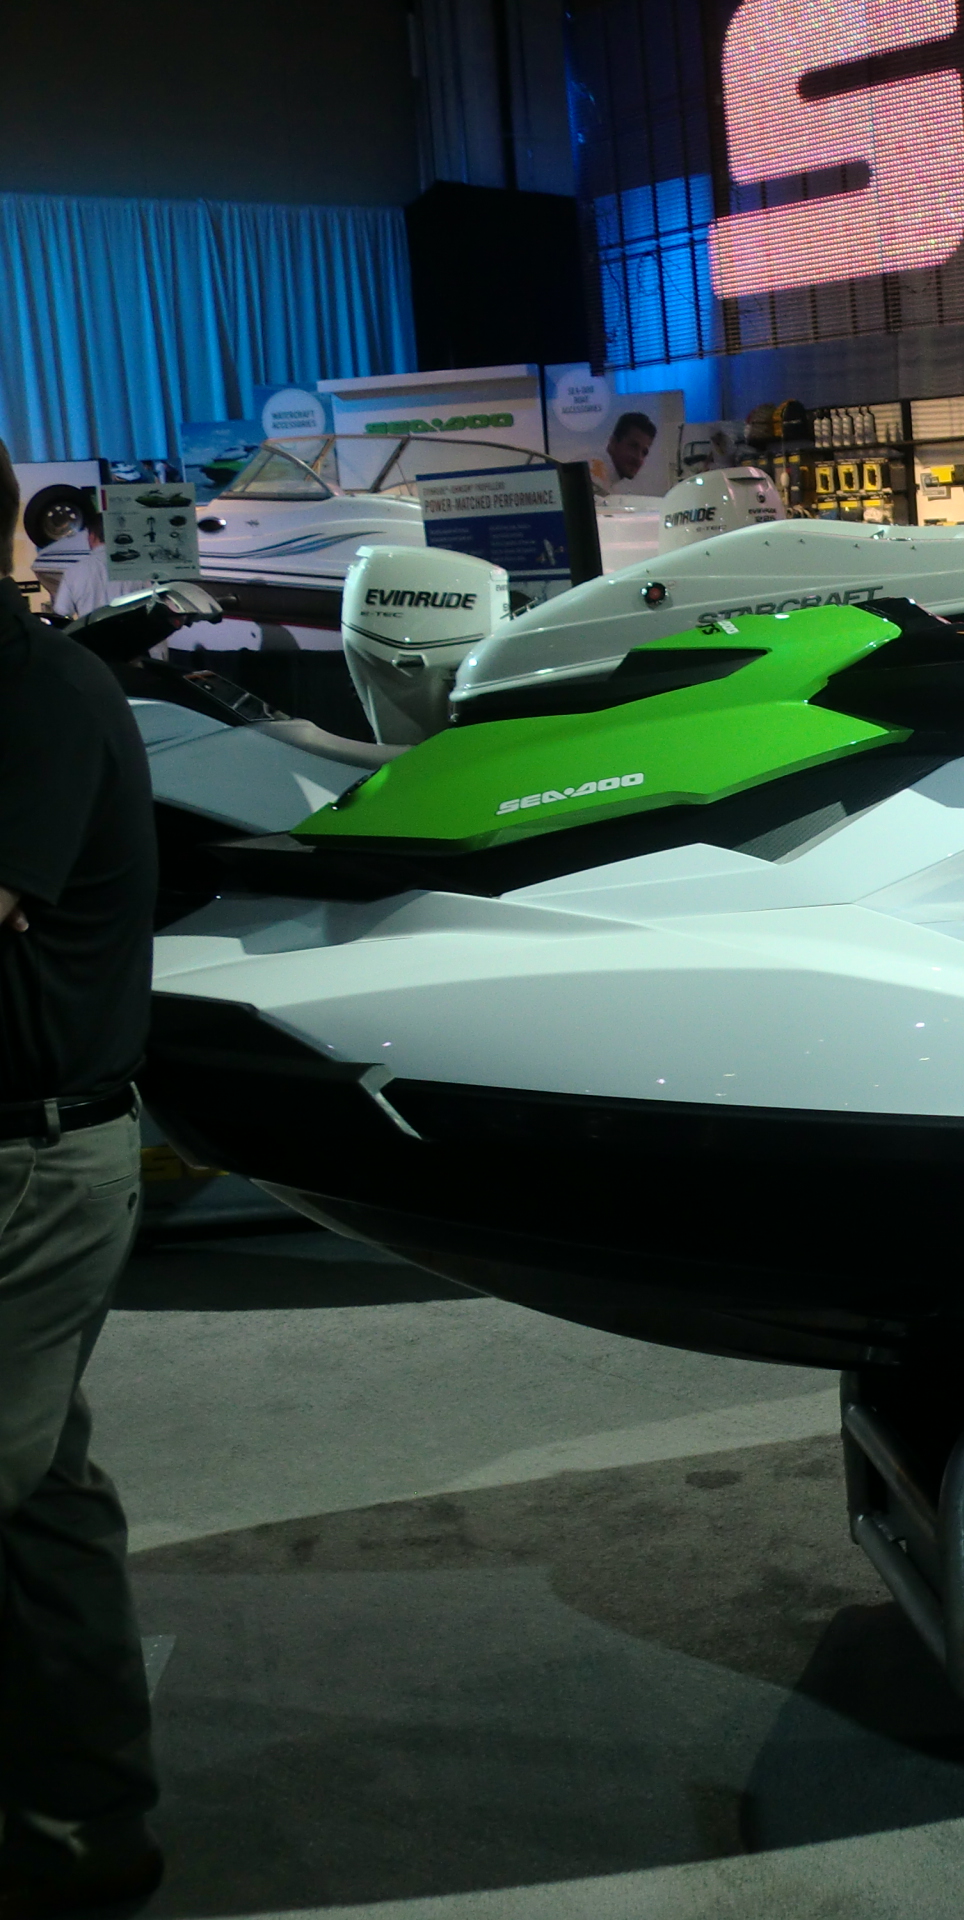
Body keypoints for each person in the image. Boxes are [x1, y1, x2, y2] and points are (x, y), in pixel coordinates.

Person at [0, 438, 164, 1918]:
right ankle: (80, 1833)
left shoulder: (38, 689)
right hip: (30, 1155)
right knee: (41, 1505)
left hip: (34, 1166)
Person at [42, 498, 113, 622]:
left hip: (91, 633)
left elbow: (61, 614)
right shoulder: (135, 569)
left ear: (91, 536)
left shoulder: (74, 572)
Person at [603, 410, 658, 490]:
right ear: (613, 443)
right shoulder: (596, 479)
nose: (638, 458)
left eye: (644, 452)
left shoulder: (607, 483)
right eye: (633, 446)